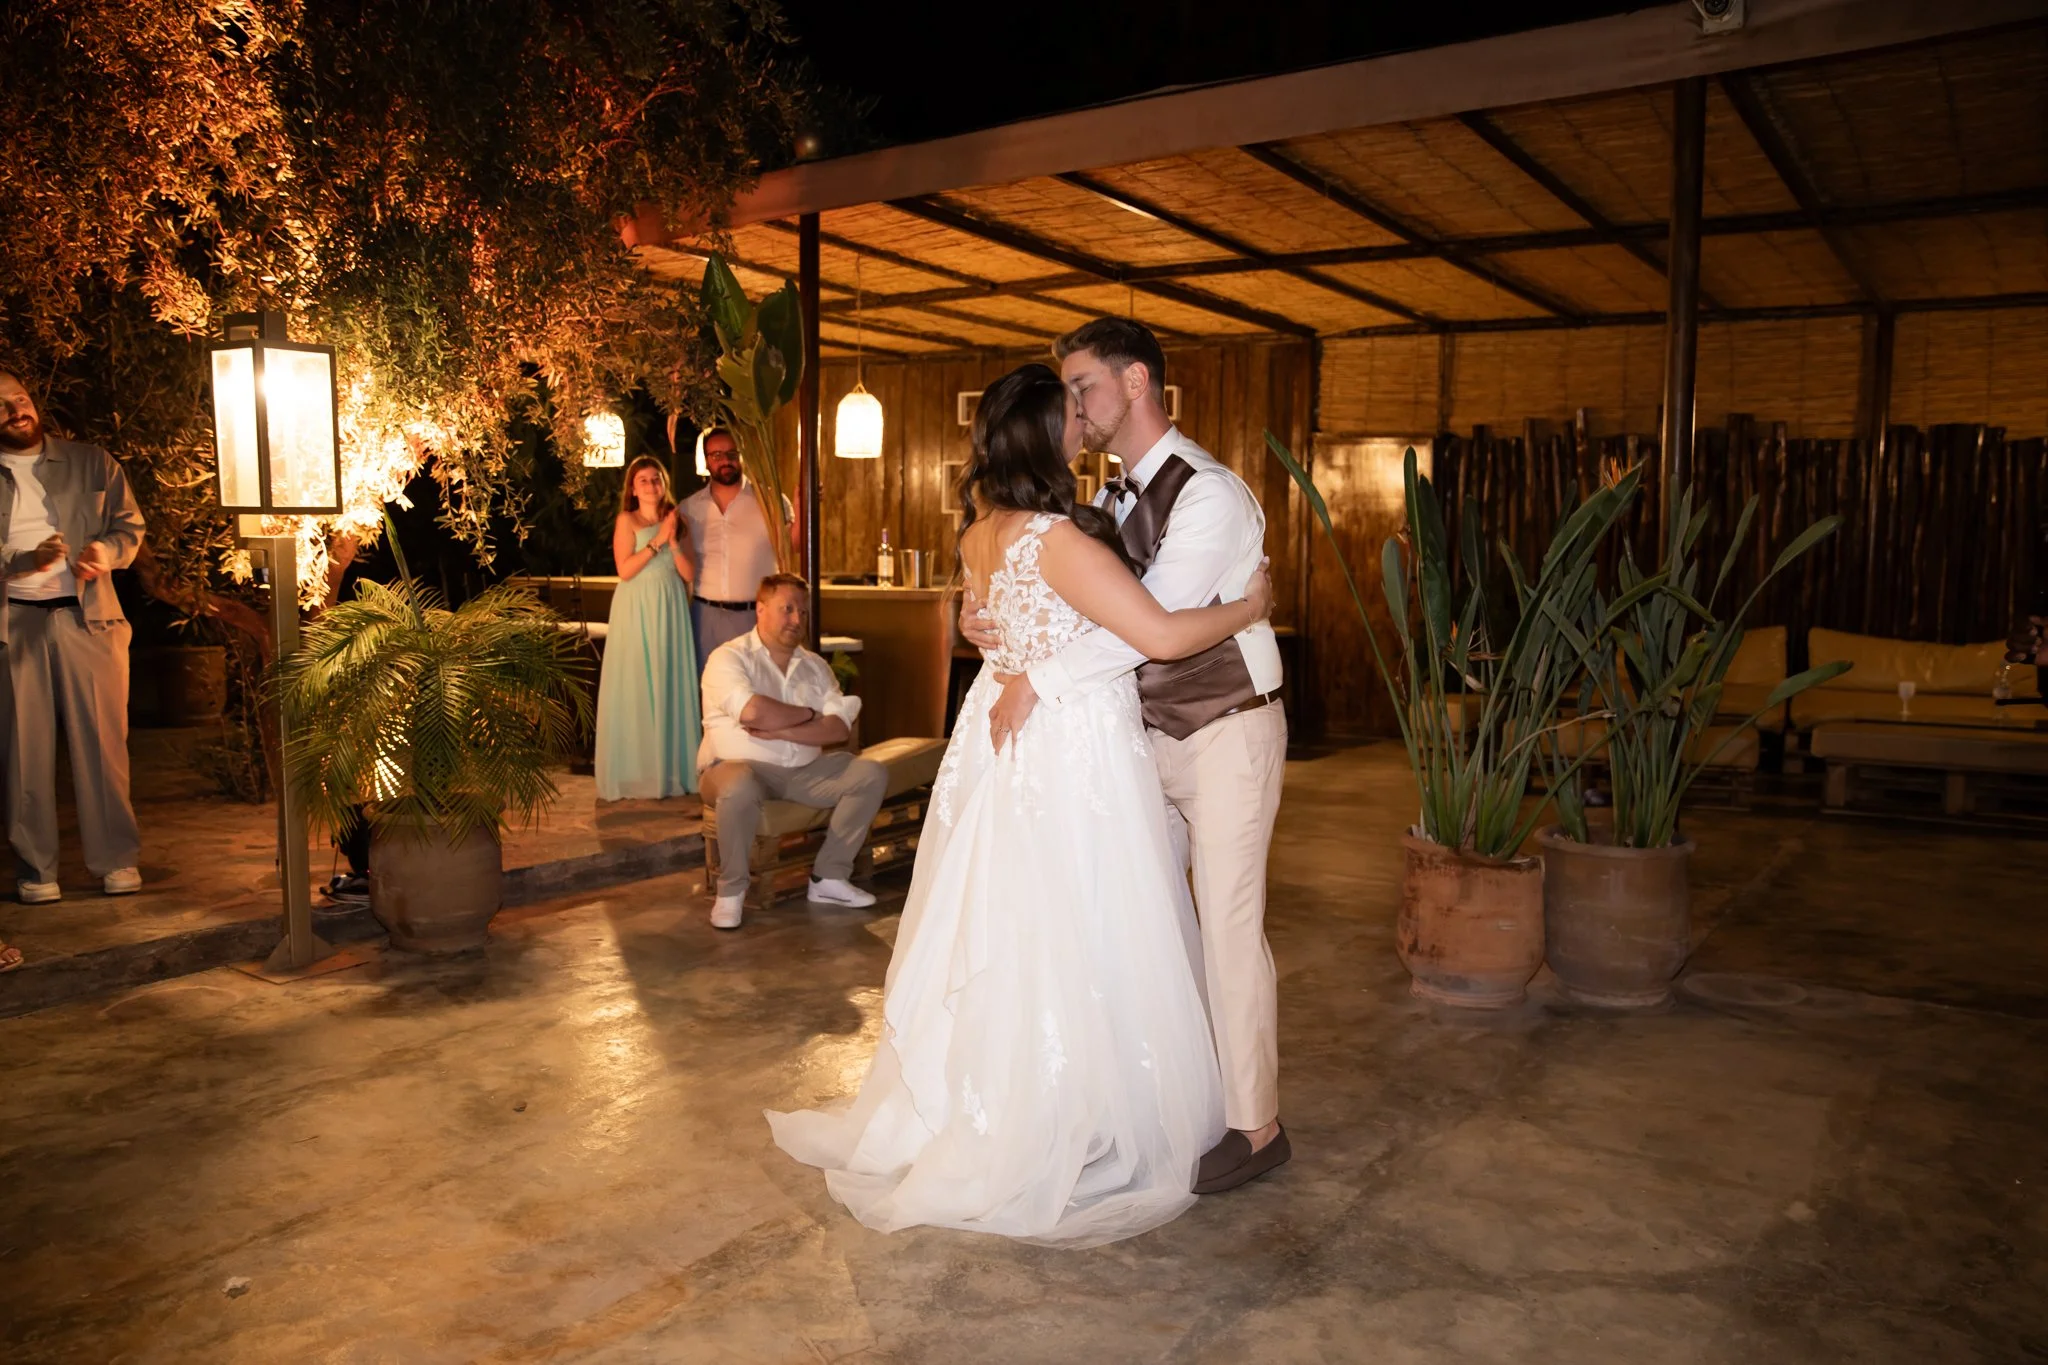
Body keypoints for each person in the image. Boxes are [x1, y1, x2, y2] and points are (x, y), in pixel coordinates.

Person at [767, 363, 1275, 1247]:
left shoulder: (979, 534)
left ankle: (1016, 1093)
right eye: (1069, 411)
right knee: (1085, 923)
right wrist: (1246, 606)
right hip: (1072, 747)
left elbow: (987, 611)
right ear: (1046, 437)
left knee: (1011, 920)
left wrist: (989, 629)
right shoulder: (1057, 539)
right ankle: (1078, 1112)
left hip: (1005, 741)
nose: (1083, 420)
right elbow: (1153, 632)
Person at [970, 318, 1291, 1196]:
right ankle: (1168, 1103)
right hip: (1141, 740)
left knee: (1227, 926)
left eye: (1084, 388)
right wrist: (988, 620)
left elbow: (1144, 623)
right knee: (1148, 923)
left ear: (1138, 382)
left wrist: (1037, 677)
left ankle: (1256, 1125)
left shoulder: (1211, 495)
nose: (1073, 407)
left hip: (1227, 727)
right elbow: (1083, 604)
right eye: (1067, 393)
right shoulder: (1107, 501)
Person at [0, 370, 146, 904]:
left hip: (90, 620)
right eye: (1, 406)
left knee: (104, 747)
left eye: (19, 398)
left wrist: (103, 553)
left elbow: (128, 527)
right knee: (23, 753)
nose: (15, 410)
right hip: (13, 626)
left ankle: (116, 861)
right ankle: (37, 871)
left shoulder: (92, 461)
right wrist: (26, 560)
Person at [697, 574, 885, 929]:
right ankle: (732, 891)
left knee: (869, 774)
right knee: (739, 785)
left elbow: (838, 727)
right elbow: (751, 712)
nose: (797, 619)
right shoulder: (729, 658)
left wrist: (781, 728)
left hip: (802, 771)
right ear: (761, 609)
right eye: (787, 609)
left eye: (802, 611)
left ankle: (829, 878)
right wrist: (808, 716)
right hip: (735, 766)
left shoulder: (815, 666)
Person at [595, 456, 701, 800]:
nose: (652, 485)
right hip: (636, 607)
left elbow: (688, 574)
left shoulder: (676, 520)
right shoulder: (627, 520)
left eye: (656, 479)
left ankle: (673, 770)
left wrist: (671, 539)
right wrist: (656, 542)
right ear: (633, 488)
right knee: (638, 682)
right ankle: (637, 773)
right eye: (644, 480)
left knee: (669, 680)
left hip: (670, 606)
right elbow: (625, 570)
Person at [680, 428, 795, 675]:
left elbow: (792, 547)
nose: (725, 461)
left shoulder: (770, 500)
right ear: (707, 460)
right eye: (717, 455)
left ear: (742, 456)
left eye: (732, 453)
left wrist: (805, 502)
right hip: (704, 618)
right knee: (709, 695)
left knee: (760, 691)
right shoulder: (689, 509)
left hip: (756, 617)